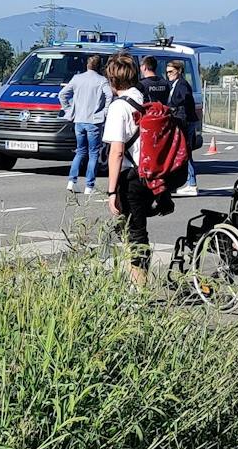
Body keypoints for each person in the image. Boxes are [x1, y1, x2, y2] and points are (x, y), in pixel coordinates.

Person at [103, 52, 155, 285]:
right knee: (137, 230)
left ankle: (138, 289)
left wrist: (111, 192)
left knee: (134, 234)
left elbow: (116, 152)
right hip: (149, 174)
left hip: (130, 177)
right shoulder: (145, 100)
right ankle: (137, 280)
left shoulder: (119, 107)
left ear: (113, 80)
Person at [59, 53, 111, 198]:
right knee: (93, 153)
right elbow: (110, 96)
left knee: (80, 151)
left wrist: (69, 110)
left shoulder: (77, 79)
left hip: (79, 120)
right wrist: (105, 111)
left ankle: (72, 181)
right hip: (94, 121)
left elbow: (62, 95)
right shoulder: (102, 80)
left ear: (87, 65)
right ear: (100, 67)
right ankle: (89, 185)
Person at [164, 57, 201, 196]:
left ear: (179, 71)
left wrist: (173, 105)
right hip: (181, 120)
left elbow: (184, 98)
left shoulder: (182, 84)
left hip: (186, 121)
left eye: (171, 71)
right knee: (182, 152)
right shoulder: (173, 84)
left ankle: (192, 183)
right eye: (167, 72)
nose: (169, 74)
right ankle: (185, 182)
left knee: (185, 151)